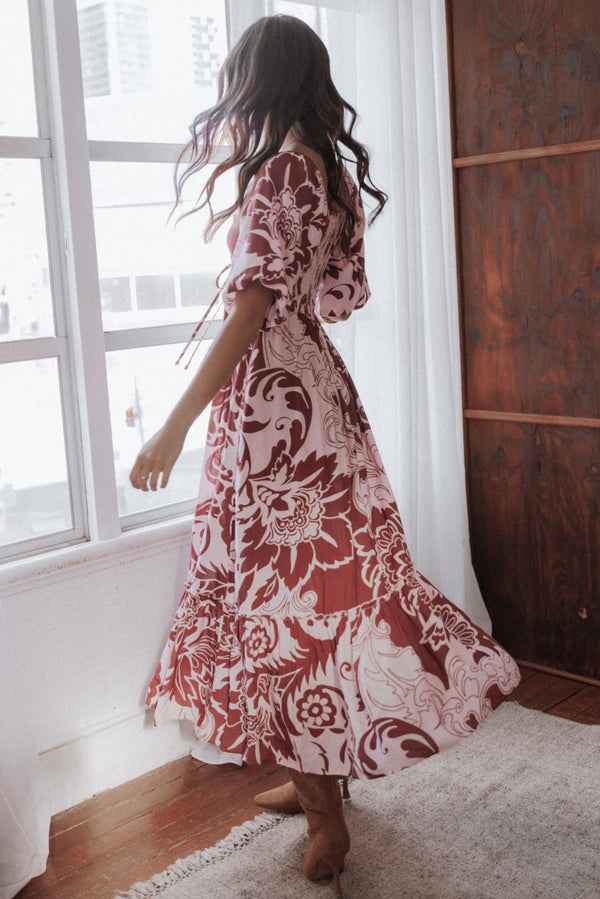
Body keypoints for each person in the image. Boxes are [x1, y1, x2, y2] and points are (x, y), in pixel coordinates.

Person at [130, 15, 520, 894]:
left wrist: (176, 423)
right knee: (317, 593)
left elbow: (250, 311)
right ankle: (316, 774)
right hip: (318, 394)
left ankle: (325, 811)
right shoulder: (328, 173)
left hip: (271, 408)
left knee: (279, 603)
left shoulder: (280, 172)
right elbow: (342, 297)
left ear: (258, 82)